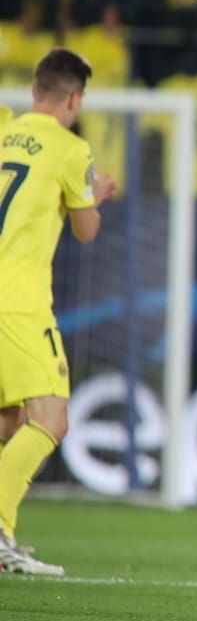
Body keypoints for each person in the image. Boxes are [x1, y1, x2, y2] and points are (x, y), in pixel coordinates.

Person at [0, 50, 118, 576]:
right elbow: (86, 230)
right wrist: (96, 194)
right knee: (51, 418)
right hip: (19, 300)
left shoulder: (3, 130)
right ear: (74, 99)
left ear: (33, 90)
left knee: (9, 420)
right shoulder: (71, 149)